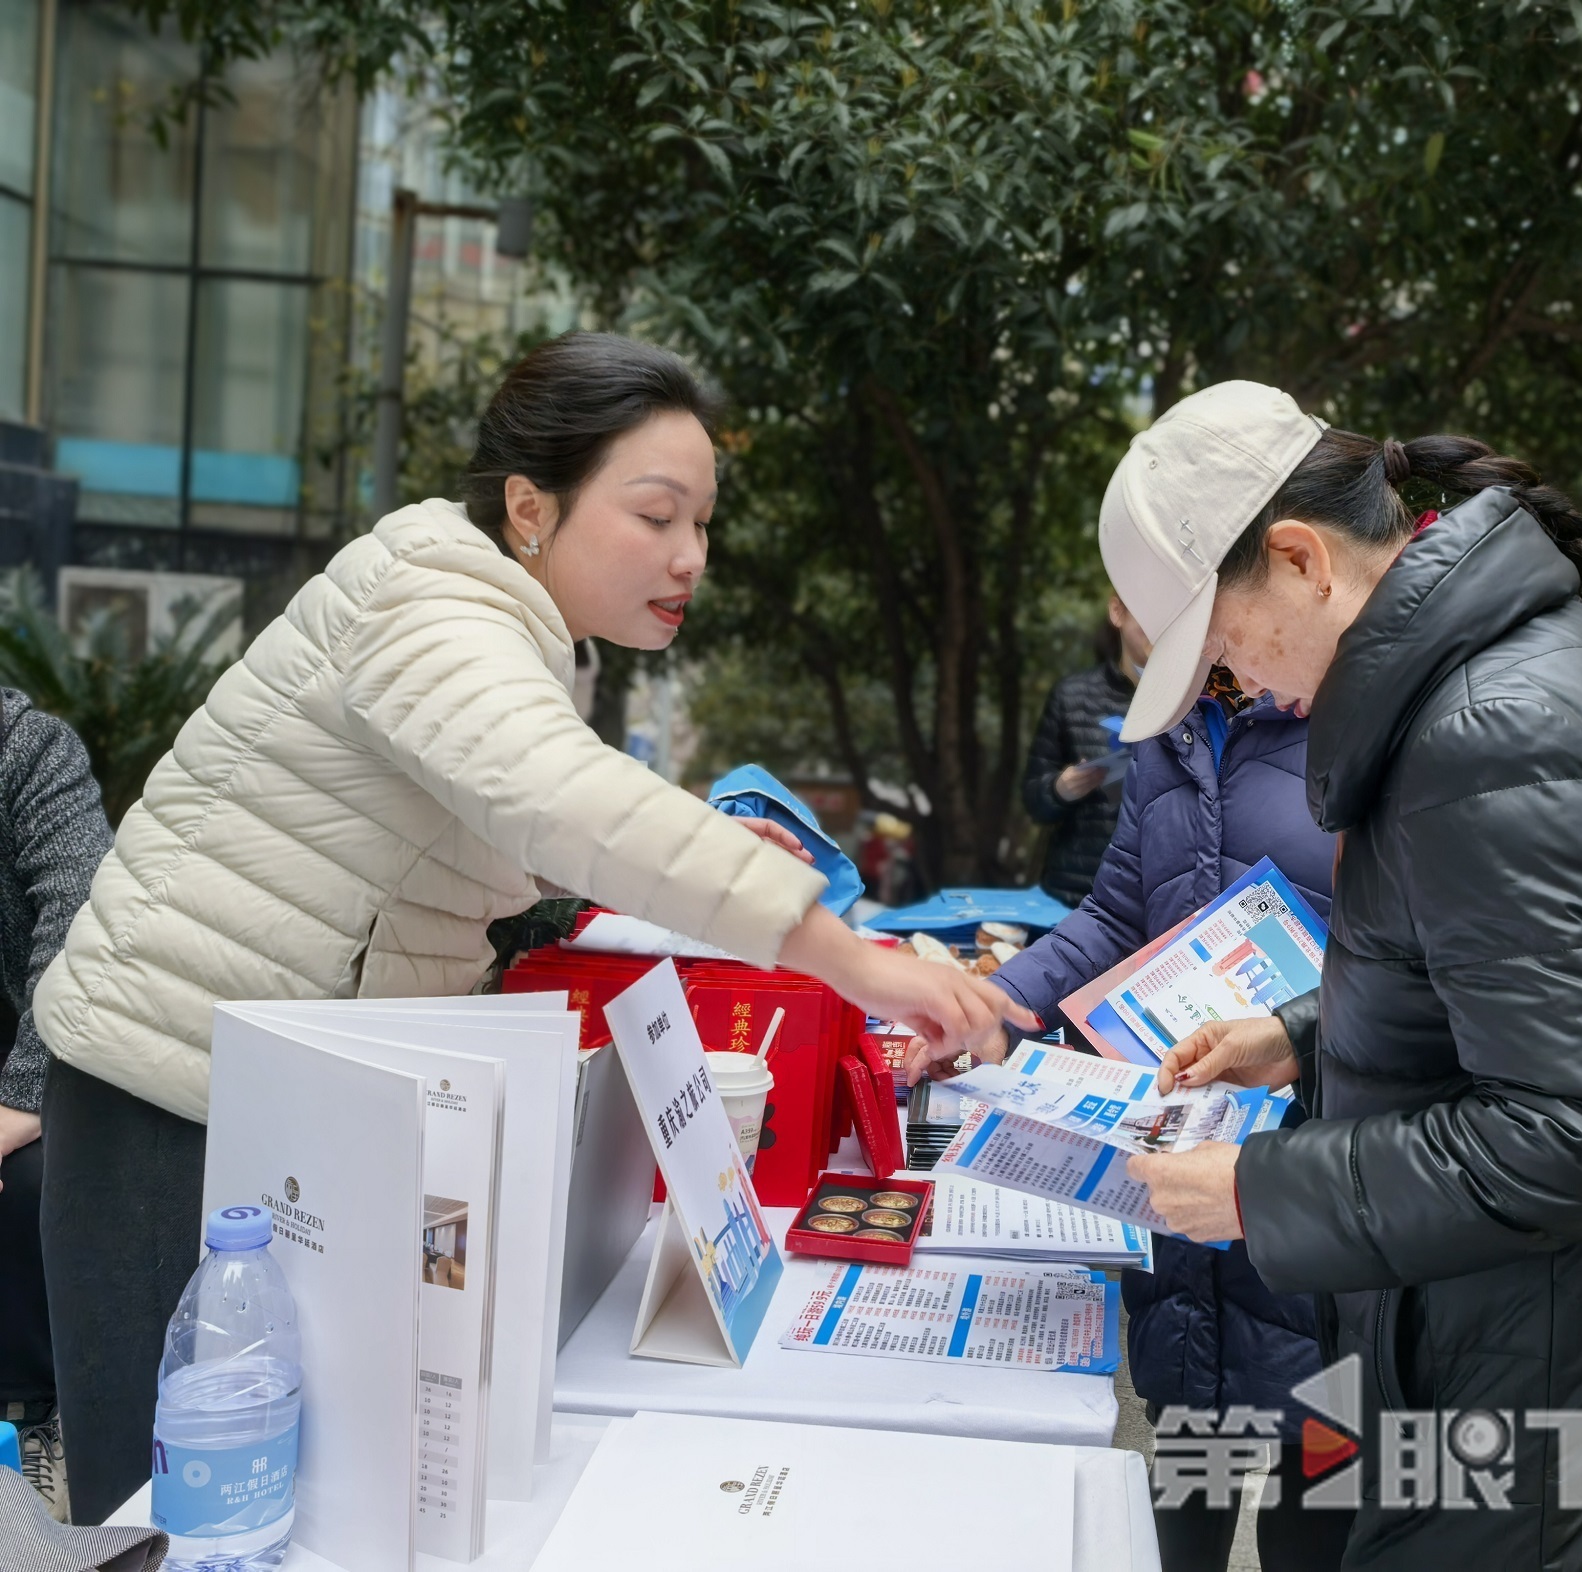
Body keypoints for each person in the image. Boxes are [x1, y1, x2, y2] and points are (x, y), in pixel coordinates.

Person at [33, 331, 1031, 1524]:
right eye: (655, 515)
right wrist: (849, 960)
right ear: (528, 507)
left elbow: (490, 858)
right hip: (173, 1105)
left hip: (296, 1110)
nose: (688, 556)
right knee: (175, 1513)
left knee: (304, 1508)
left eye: (703, 524)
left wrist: (618, 895)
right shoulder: (430, 598)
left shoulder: (526, 637)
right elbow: (560, 797)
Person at [962, 381, 1582, 1567]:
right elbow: (1506, 986)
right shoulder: (1494, 675)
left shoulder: (1489, 723)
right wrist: (1307, 1029)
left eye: (1225, 646)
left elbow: (1573, 1127)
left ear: (1298, 559)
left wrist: (1256, 1190)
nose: (1249, 685)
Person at [993, 661, 1347, 1572]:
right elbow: (1117, 912)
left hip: (1319, 1157)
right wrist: (996, 1001)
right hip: (1186, 1134)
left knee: (1323, 1478)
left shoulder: (1367, 710)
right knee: (1187, 1465)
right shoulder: (1174, 720)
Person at [0, 689, 110, 1522]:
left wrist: (18, 1097)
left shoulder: (30, 752)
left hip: (36, 1050)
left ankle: (32, 1417)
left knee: (33, 1178)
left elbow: (80, 918)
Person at [1021, 595, 1150, 907]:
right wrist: (1060, 789)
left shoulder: (1198, 700)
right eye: (1150, 611)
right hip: (1074, 893)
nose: (1160, 627)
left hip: (1152, 897)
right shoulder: (1072, 695)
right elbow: (1033, 799)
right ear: (1117, 611)